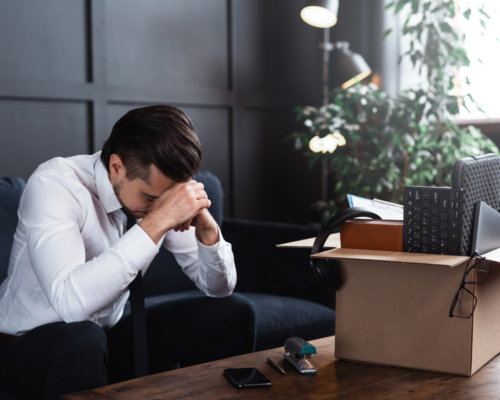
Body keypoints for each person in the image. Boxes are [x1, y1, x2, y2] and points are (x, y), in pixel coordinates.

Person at [0, 105, 256, 400]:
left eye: (168, 199)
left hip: (106, 340)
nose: (159, 206)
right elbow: (69, 305)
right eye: (150, 197)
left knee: (234, 312)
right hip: (26, 347)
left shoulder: (159, 189)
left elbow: (219, 289)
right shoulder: (54, 185)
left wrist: (209, 232)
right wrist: (158, 220)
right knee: (83, 338)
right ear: (116, 167)